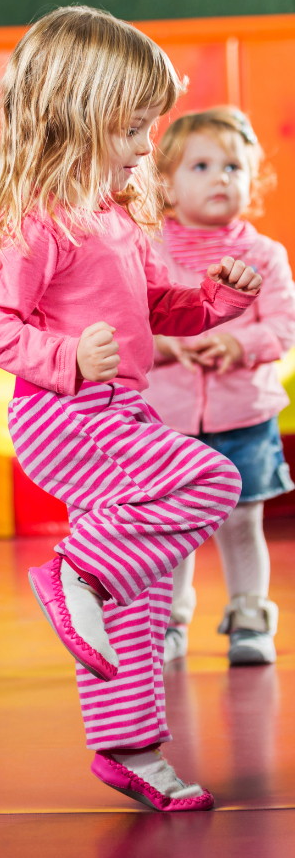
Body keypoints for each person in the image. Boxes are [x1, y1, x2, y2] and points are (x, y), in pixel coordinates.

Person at [0, 6, 262, 812]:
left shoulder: (118, 215)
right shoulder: (41, 221)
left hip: (118, 416)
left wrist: (214, 303)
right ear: (79, 117)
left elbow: (157, 306)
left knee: (148, 585)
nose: (143, 146)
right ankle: (76, 572)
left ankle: (131, 748)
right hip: (65, 415)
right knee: (211, 481)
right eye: (132, 128)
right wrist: (65, 358)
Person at [147, 108, 295, 667]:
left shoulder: (265, 255)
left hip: (245, 417)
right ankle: (167, 620)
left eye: (234, 166)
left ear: (253, 180)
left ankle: (250, 614)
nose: (220, 177)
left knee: (241, 520)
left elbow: (284, 326)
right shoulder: (150, 250)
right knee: (172, 524)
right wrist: (168, 347)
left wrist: (237, 346)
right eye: (202, 165)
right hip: (169, 421)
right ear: (166, 182)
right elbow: (133, 322)